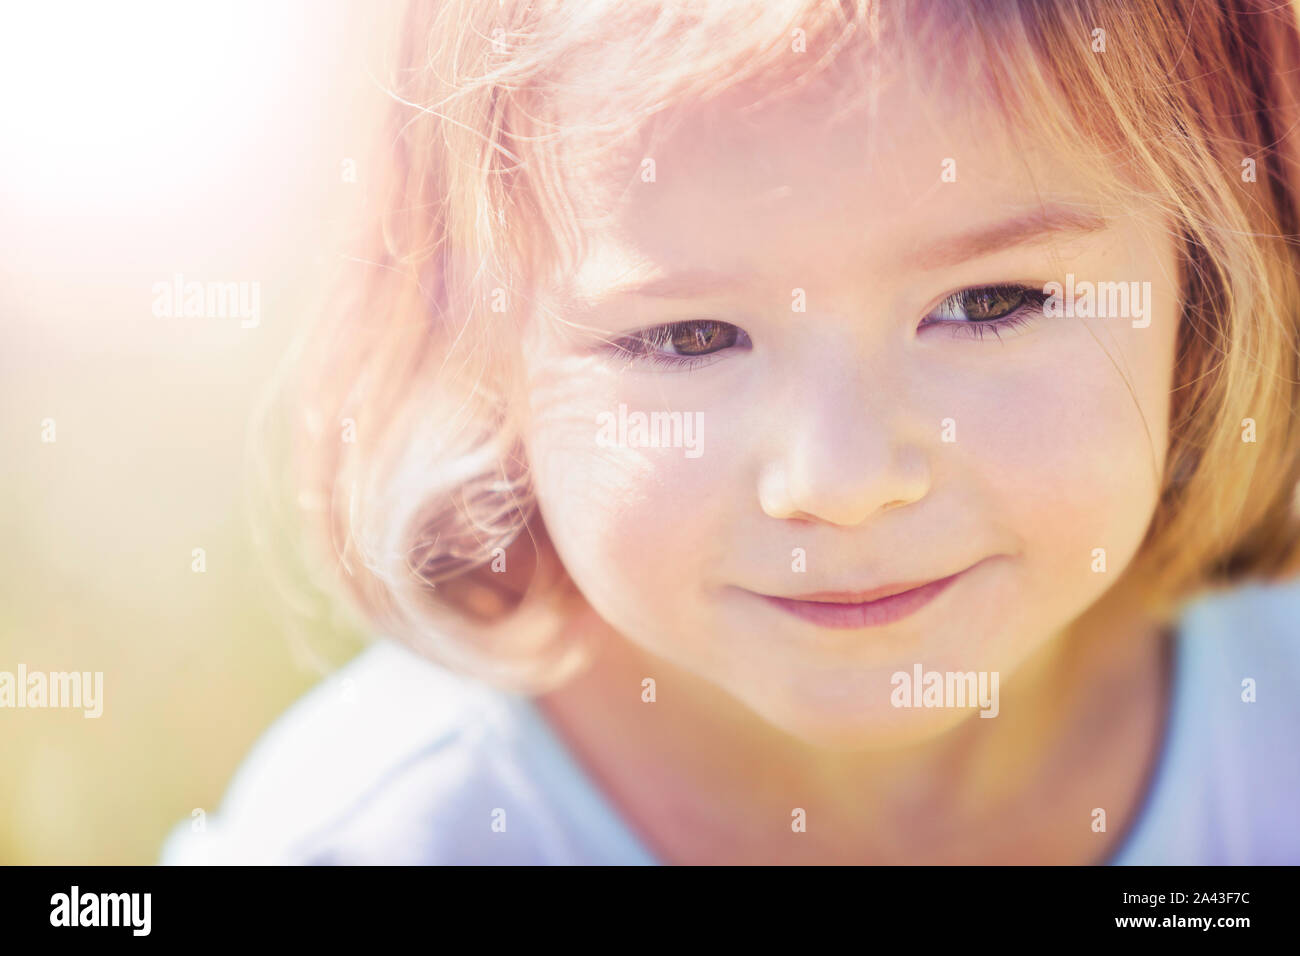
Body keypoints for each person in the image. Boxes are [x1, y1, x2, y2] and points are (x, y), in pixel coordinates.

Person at [162, 0, 1300, 865]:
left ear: (1210, 278)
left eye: (988, 303)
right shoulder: (387, 834)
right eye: (689, 336)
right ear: (479, 351)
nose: (842, 482)